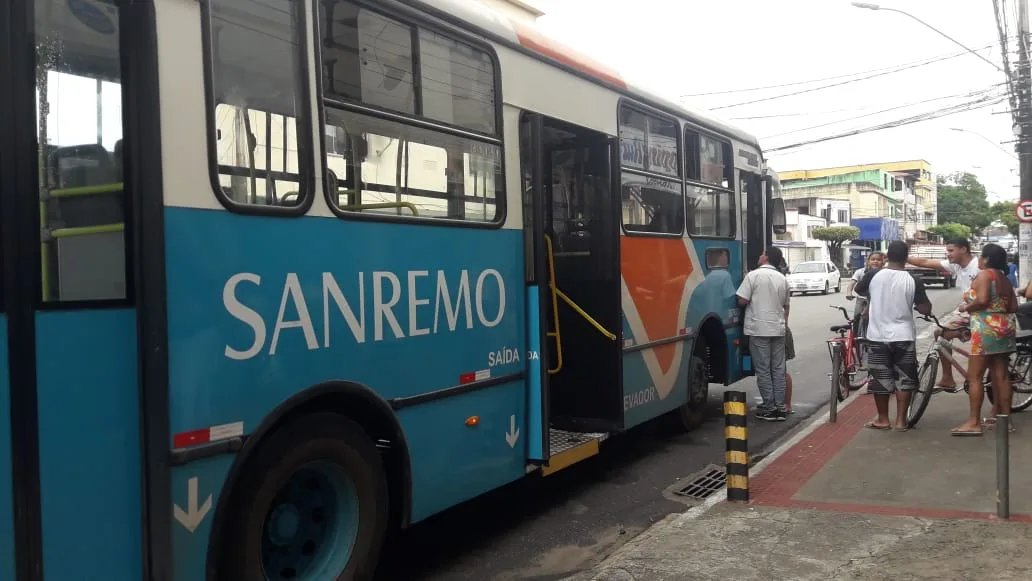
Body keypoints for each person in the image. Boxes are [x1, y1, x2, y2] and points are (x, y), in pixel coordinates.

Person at [855, 241, 932, 431]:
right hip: (903, 336)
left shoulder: (873, 275)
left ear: (886, 257)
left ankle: (882, 419)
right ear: (906, 258)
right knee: (905, 379)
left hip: (877, 336)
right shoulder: (913, 280)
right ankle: (901, 421)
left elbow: (859, 290)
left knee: (880, 378)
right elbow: (925, 308)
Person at [951, 243, 1018, 436]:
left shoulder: (985, 275)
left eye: (981, 256)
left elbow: (981, 300)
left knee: (975, 377)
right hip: (1005, 328)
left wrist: (966, 308)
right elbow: (1013, 306)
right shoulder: (1003, 278)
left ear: (987, 259)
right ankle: (1006, 421)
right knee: (1001, 376)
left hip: (985, 329)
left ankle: (974, 422)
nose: (978, 259)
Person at [906, 238, 980, 390]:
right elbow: (925, 262)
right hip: (968, 313)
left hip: (980, 314)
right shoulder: (956, 266)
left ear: (964, 249)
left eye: (951, 250)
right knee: (940, 332)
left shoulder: (979, 266)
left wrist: (968, 306)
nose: (948, 254)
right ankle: (948, 377)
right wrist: (902, 257)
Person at [737, 247, 790, 421]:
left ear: (766, 258)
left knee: (763, 370)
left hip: (759, 329)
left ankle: (769, 407)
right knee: (778, 369)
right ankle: (780, 408)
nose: (759, 255)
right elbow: (785, 306)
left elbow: (742, 300)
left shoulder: (753, 276)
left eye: (762, 253)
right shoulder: (782, 278)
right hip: (778, 328)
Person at [846, 252, 885, 337]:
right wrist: (849, 293)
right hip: (862, 299)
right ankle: (856, 338)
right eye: (873, 259)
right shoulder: (860, 272)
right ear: (868, 261)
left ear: (883, 262)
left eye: (878, 260)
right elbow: (852, 283)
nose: (875, 261)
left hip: (878, 301)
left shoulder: (885, 273)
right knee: (857, 317)